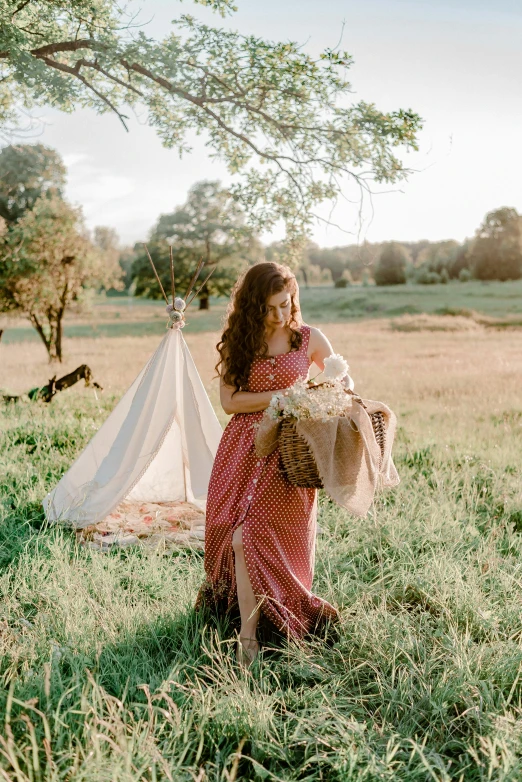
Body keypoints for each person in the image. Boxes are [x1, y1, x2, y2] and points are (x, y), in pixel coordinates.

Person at [195, 262, 346, 667]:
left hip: (290, 455)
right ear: (251, 307)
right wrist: (284, 394)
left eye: (286, 304)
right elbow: (230, 402)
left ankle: (260, 629)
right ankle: (248, 630)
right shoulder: (238, 341)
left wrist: (311, 397)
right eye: (270, 308)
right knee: (237, 535)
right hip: (243, 452)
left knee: (258, 538)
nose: (281, 315)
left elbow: (342, 385)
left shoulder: (309, 338)